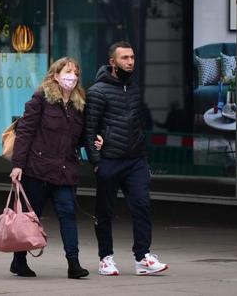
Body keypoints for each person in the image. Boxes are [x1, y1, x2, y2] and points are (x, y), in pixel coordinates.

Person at [9, 57, 101, 279]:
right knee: (32, 218)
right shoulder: (41, 98)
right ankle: (19, 261)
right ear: (55, 75)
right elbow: (25, 132)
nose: (72, 76)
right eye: (67, 72)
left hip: (65, 171)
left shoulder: (80, 103)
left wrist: (96, 142)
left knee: (68, 213)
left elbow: (78, 137)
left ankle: (74, 264)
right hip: (37, 170)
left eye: (76, 73)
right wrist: (18, 165)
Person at [84, 41, 168, 276]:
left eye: (132, 57)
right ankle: (105, 258)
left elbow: (138, 124)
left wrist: (143, 157)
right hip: (109, 161)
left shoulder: (133, 88)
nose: (130, 62)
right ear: (113, 62)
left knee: (142, 206)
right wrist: (97, 162)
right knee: (104, 212)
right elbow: (89, 130)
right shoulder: (97, 92)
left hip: (135, 160)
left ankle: (143, 258)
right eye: (124, 58)